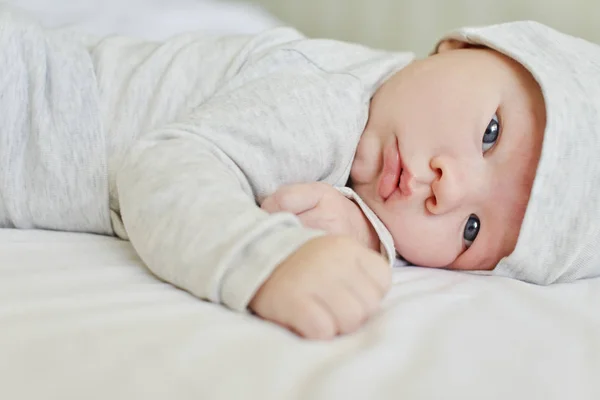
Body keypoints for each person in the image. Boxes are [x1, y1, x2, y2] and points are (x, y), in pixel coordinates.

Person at [1, 6, 598, 340]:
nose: (449, 188)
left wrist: (367, 230)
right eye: (490, 134)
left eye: (472, 231)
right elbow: (163, 167)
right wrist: (267, 261)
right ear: (464, 48)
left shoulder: (390, 135)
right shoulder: (325, 98)